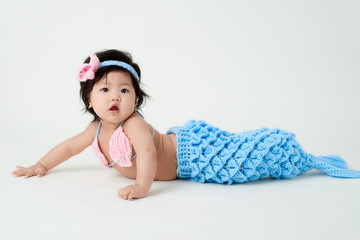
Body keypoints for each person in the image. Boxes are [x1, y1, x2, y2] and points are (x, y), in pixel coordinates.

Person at [12, 49, 360, 200]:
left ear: (135, 99)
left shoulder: (132, 125)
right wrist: (41, 165)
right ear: (90, 100)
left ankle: (293, 154)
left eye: (124, 89)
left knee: (241, 159)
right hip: (182, 155)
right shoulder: (96, 130)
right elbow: (70, 146)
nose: (114, 96)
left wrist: (143, 187)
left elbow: (147, 153)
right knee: (241, 156)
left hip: (189, 155)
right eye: (104, 89)